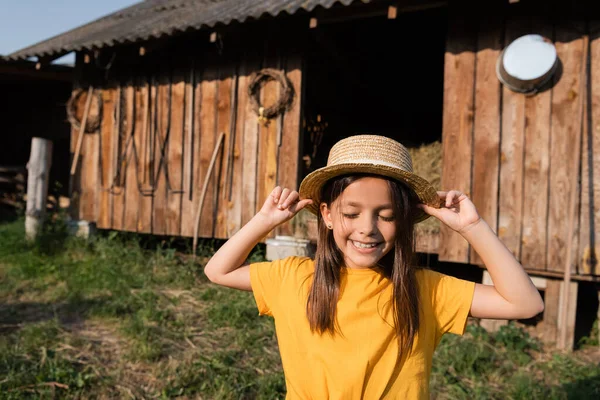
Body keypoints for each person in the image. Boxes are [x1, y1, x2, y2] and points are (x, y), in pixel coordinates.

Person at [204, 134, 544, 399]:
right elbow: (218, 270)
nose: (368, 228)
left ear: (406, 221)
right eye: (352, 214)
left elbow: (526, 303)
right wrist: (264, 221)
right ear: (327, 215)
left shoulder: (425, 289)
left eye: (387, 215)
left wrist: (473, 228)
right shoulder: (293, 277)